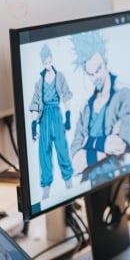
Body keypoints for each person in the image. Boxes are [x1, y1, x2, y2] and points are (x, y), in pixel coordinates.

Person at [69, 31, 130, 182]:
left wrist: (89, 142)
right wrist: (105, 144)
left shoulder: (123, 95)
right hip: (88, 186)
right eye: (91, 74)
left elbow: (119, 145)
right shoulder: (85, 109)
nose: (96, 78)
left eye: (98, 69)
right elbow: (74, 164)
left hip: (116, 179)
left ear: (105, 62)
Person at [28, 44, 74, 199]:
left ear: (52, 59)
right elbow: (35, 105)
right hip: (44, 118)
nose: (47, 64)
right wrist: (34, 127)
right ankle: (46, 189)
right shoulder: (38, 83)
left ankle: (69, 183)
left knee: (62, 148)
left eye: (49, 61)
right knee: (44, 153)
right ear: (42, 62)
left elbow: (66, 97)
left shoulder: (59, 77)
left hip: (56, 115)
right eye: (45, 62)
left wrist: (67, 118)